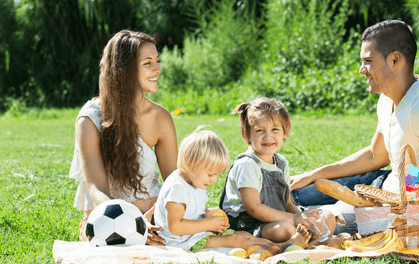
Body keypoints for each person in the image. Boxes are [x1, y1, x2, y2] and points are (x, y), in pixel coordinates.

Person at [290, 20, 419, 241]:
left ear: (394, 59)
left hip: (396, 210)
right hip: (378, 185)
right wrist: (313, 174)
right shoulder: (386, 98)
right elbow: (375, 155)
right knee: (289, 192)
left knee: (307, 219)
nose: (362, 70)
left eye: (368, 61)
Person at [68, 30, 178, 245]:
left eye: (157, 60)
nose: (158, 69)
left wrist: (154, 217)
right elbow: (97, 189)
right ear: (125, 69)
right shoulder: (90, 119)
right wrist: (131, 225)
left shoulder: (161, 117)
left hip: (152, 210)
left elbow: (174, 182)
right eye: (148, 63)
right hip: (106, 215)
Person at [153, 129, 311, 252]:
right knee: (236, 241)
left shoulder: (193, 180)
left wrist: (208, 215)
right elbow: (175, 227)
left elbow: (193, 208)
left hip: (192, 236)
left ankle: (282, 244)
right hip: (183, 242)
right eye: (210, 174)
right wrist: (208, 224)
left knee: (242, 236)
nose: (214, 180)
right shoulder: (178, 188)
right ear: (191, 165)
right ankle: (285, 246)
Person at [219, 97, 336, 244]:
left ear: (284, 133)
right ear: (246, 134)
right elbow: (253, 208)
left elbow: (286, 204)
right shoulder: (247, 165)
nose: (268, 137)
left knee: (327, 216)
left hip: (279, 218)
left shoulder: (281, 163)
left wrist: (304, 217)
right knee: (285, 229)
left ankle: (308, 239)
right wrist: (294, 220)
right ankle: (304, 241)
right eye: (260, 130)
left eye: (275, 129)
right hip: (249, 225)